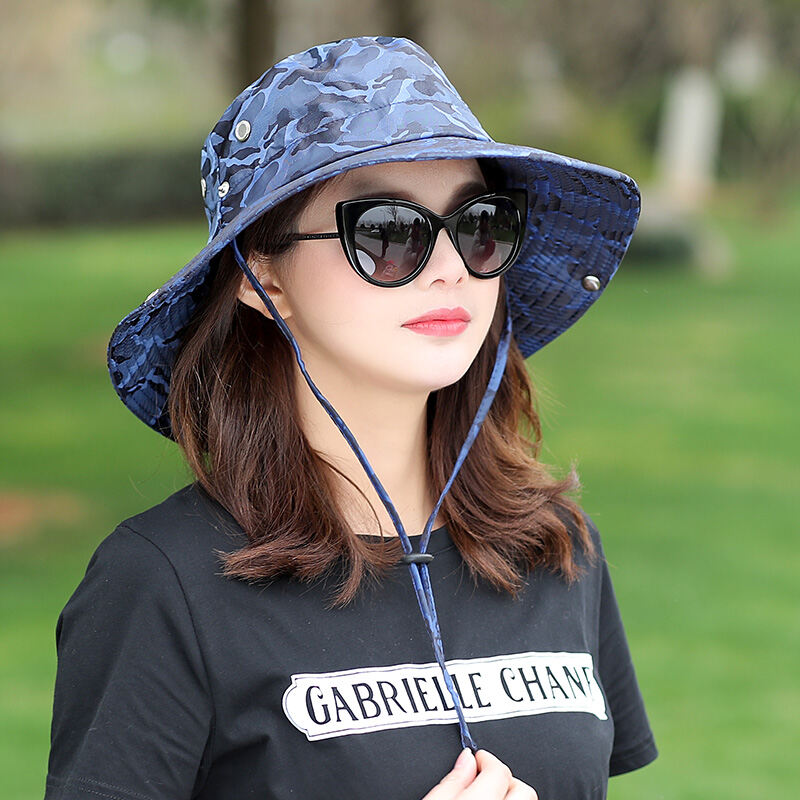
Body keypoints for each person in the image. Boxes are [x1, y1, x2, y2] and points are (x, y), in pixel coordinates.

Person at [44, 36, 657, 800]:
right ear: (263, 274)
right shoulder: (162, 585)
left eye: (480, 225)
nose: (450, 268)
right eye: (387, 232)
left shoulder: (557, 548)